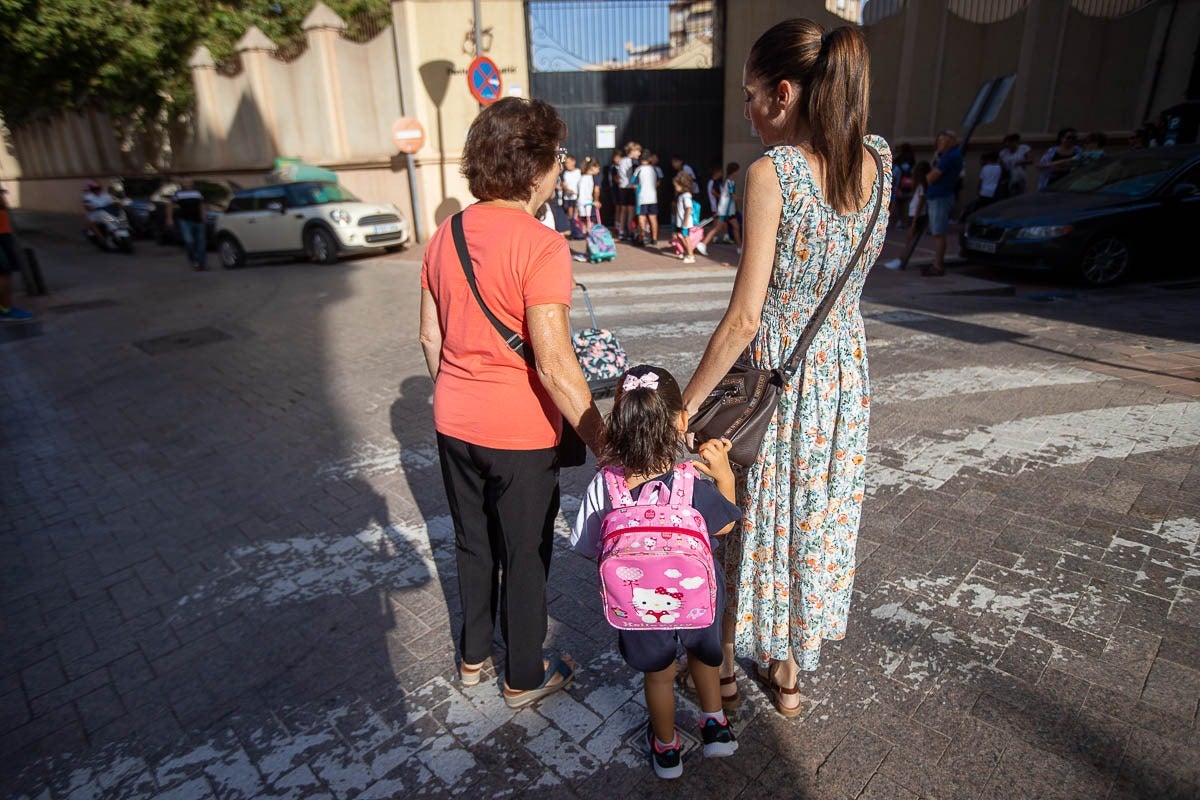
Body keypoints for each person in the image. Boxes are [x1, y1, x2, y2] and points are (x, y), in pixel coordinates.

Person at [681, 18, 890, 717]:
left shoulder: (772, 175)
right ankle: (790, 672)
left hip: (778, 376)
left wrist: (683, 406)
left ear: (785, 92)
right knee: (818, 518)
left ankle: (731, 678)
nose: (747, 112)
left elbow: (744, 317)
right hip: (844, 375)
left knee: (748, 520)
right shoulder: (881, 164)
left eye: (750, 97)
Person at [418, 97, 605, 709]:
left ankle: (473, 656)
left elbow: (429, 336)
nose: (559, 169)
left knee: (472, 542)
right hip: (519, 431)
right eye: (555, 158)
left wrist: (458, 392)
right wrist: (607, 442)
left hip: (453, 421)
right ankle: (523, 673)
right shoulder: (544, 245)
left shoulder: (444, 234)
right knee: (525, 554)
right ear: (534, 168)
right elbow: (553, 361)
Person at [571, 365, 741, 780]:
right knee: (703, 656)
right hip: (698, 591)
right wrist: (725, 475)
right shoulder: (691, 481)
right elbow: (726, 525)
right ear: (681, 421)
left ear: (616, 427)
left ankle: (667, 750)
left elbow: (587, 544)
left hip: (638, 602)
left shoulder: (604, 484)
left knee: (659, 675)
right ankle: (714, 724)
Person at [922, 129, 961, 277]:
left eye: (943, 141)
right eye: (939, 141)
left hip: (940, 197)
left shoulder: (949, 157)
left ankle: (938, 266)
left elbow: (931, 178)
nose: (940, 144)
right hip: (940, 196)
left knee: (938, 233)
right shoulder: (947, 156)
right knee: (937, 232)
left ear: (950, 142)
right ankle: (937, 264)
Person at [883, 159, 929, 270]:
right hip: (913, 215)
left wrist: (914, 222)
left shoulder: (922, 187)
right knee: (909, 239)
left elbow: (920, 205)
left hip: (916, 217)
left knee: (910, 239)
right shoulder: (918, 187)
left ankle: (901, 260)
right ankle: (901, 259)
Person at [0, 186, 35, 322]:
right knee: (4, 273)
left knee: (5, 273)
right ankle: (6, 309)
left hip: (3, 233)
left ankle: (6, 308)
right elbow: (3, 204)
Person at [696, 162, 741, 256]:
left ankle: (740, 248)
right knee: (717, 228)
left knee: (735, 227)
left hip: (728, 211)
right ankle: (703, 244)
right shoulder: (729, 182)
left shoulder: (728, 181)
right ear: (734, 171)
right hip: (725, 211)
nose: (738, 173)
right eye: (737, 171)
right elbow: (733, 196)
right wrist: (745, 198)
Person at [167, 177, 207, 271]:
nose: (187, 184)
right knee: (189, 241)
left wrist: (203, 216)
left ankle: (201, 263)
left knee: (201, 243)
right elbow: (170, 205)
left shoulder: (197, 193)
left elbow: (201, 205)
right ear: (182, 183)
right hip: (185, 220)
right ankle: (194, 260)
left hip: (198, 220)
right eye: (185, 182)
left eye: (189, 182)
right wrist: (169, 218)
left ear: (192, 183)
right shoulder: (179, 194)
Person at [634, 150, 661, 245]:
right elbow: (658, 182)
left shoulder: (639, 169)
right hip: (653, 197)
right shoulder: (654, 169)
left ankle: (641, 238)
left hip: (642, 197)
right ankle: (654, 238)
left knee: (642, 217)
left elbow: (633, 181)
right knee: (653, 217)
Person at [617, 141, 642, 241]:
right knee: (631, 210)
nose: (639, 154)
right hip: (630, 187)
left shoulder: (622, 160)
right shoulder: (633, 161)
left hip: (622, 187)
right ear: (632, 151)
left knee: (624, 210)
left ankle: (622, 231)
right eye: (638, 151)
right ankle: (630, 231)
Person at [670, 171, 697, 264]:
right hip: (680, 221)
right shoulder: (681, 195)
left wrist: (685, 221)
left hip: (684, 222)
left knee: (686, 237)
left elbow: (688, 208)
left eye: (677, 186)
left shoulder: (686, 196)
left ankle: (691, 255)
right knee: (677, 235)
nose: (675, 188)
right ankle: (686, 251)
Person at [890, 142, 916, 227]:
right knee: (904, 205)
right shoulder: (911, 161)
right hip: (906, 186)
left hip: (897, 187)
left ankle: (894, 221)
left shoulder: (899, 161)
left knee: (895, 204)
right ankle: (902, 221)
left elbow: (895, 175)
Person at [576, 157, 600, 234]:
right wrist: (596, 200)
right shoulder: (593, 178)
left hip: (581, 204)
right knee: (591, 223)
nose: (599, 170)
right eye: (598, 168)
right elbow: (596, 190)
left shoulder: (581, 178)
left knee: (585, 222)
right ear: (593, 167)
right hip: (589, 203)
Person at [560, 154, 581, 226]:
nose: (566, 165)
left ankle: (578, 228)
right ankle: (572, 228)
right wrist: (566, 189)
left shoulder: (578, 172)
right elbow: (563, 184)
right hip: (568, 197)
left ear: (573, 162)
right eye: (565, 163)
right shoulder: (565, 173)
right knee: (570, 214)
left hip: (576, 197)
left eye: (568, 163)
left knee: (577, 213)